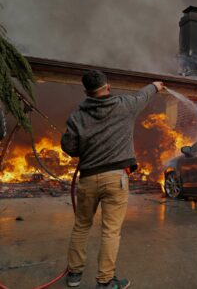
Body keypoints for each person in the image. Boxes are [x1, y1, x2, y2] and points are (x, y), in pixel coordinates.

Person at [61, 70, 165, 289]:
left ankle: (74, 275)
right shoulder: (124, 105)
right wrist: (155, 85)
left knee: (81, 226)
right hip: (116, 179)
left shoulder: (77, 117)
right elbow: (143, 96)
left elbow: (69, 147)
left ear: (86, 92)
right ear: (107, 87)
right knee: (110, 231)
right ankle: (105, 282)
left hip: (88, 179)